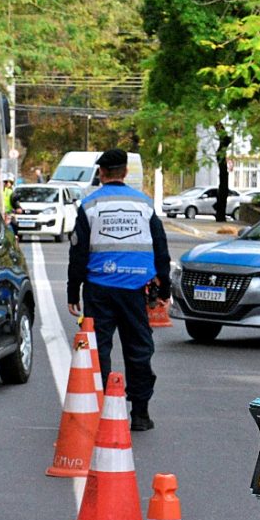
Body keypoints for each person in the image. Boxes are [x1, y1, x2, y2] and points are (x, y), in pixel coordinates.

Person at [67, 148, 171, 431]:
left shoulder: (89, 206)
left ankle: (98, 411)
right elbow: (161, 249)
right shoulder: (145, 205)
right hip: (136, 289)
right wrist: (164, 288)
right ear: (125, 172)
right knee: (138, 349)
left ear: (101, 173)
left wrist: (72, 291)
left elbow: (78, 252)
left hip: (98, 289)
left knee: (99, 349)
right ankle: (140, 413)